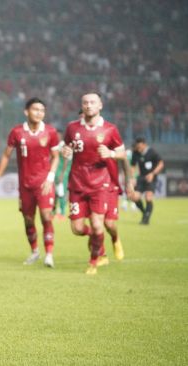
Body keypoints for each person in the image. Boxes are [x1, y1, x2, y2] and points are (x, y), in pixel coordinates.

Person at [0, 98, 60, 268]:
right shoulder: (17, 132)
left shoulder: (50, 132)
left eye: (42, 110)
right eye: (35, 109)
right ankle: (35, 251)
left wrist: (50, 178)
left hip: (44, 184)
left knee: (46, 216)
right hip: (25, 185)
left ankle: (49, 254)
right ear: (26, 112)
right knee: (28, 220)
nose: (39, 113)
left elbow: (56, 157)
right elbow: (6, 156)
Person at [61, 93, 125, 275]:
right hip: (77, 184)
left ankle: (94, 261)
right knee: (77, 229)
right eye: (85, 103)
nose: (89, 105)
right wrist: (65, 152)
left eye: (92, 102)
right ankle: (98, 238)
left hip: (100, 185)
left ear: (100, 106)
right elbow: (66, 147)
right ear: (82, 105)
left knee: (99, 224)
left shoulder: (110, 129)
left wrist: (111, 154)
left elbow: (122, 152)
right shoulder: (72, 128)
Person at [130, 137, 164, 225]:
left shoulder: (152, 152)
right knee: (134, 197)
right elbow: (133, 166)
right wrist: (132, 177)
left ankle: (146, 219)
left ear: (144, 144)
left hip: (151, 177)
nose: (139, 149)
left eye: (140, 147)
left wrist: (153, 173)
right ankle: (145, 212)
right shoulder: (136, 152)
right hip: (141, 178)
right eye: (137, 147)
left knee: (148, 197)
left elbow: (161, 164)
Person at [54, 132, 71, 220]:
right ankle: (53, 212)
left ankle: (62, 213)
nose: (57, 136)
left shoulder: (63, 146)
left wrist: (62, 173)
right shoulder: (55, 145)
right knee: (54, 193)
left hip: (63, 174)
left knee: (61, 193)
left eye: (58, 135)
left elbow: (66, 160)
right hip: (55, 172)